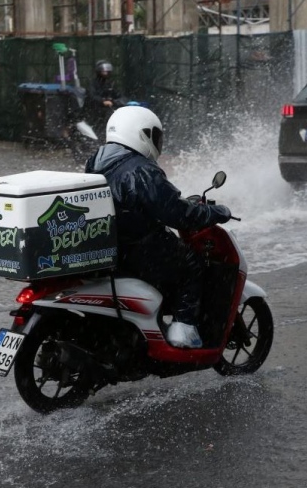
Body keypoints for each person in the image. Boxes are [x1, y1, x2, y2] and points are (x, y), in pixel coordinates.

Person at [84, 106, 232, 348]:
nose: (157, 142)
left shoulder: (97, 160)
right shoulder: (141, 169)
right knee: (191, 263)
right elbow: (178, 214)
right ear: (140, 133)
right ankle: (183, 330)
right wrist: (215, 212)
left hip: (112, 247)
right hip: (137, 248)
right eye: (154, 135)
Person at [85, 60, 125, 132]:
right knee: (105, 117)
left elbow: (119, 95)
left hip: (110, 107)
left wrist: (116, 101)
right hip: (96, 109)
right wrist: (102, 101)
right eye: (103, 71)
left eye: (107, 72)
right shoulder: (93, 84)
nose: (106, 73)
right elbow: (91, 96)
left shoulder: (110, 83)